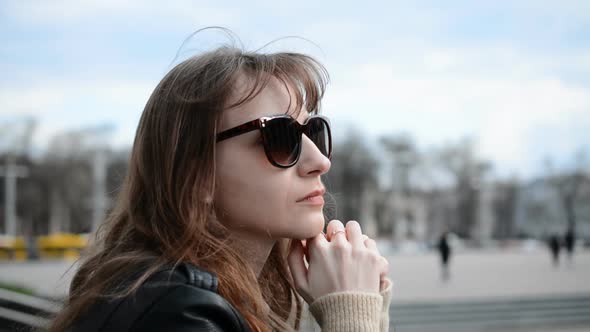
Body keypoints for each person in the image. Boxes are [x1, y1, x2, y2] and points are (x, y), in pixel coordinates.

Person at [47, 36, 392, 331]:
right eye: (282, 137)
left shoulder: (179, 297)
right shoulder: (177, 313)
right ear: (196, 174)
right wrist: (350, 313)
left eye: (313, 131)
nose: (320, 161)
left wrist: (368, 304)